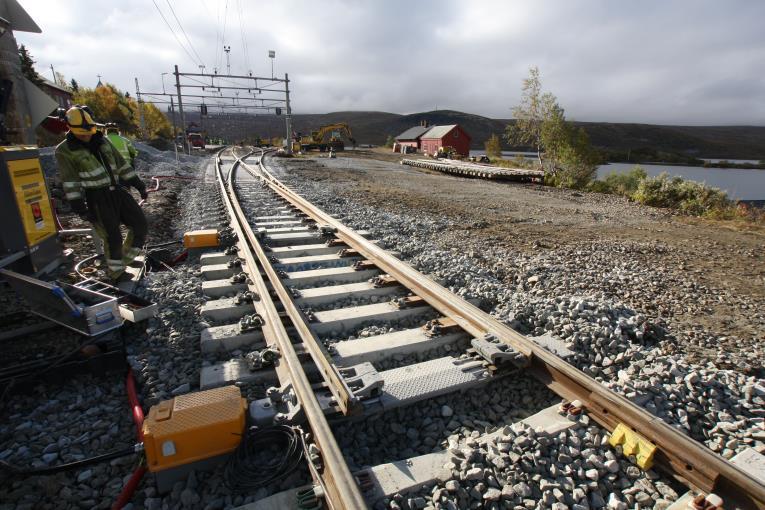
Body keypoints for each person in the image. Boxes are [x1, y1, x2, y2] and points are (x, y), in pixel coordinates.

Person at [55, 105, 148, 281]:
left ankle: (124, 259)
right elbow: (71, 182)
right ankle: (117, 273)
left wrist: (138, 185)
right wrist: (80, 208)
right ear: (70, 129)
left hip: (117, 192)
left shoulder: (103, 142)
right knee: (112, 237)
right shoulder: (65, 150)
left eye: (89, 131)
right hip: (97, 197)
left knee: (140, 226)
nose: (87, 135)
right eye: (82, 133)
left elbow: (122, 165)